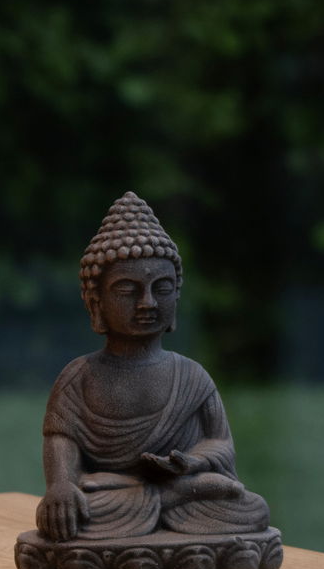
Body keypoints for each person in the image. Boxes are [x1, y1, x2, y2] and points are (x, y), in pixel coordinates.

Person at [35, 192, 271, 542]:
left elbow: (220, 442)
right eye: (127, 290)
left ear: (176, 296)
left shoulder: (191, 376)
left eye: (161, 288)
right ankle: (151, 499)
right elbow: (60, 439)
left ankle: (156, 497)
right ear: (96, 303)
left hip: (177, 490)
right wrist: (60, 486)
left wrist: (190, 463)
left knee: (251, 507)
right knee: (75, 513)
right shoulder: (79, 376)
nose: (147, 303)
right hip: (110, 502)